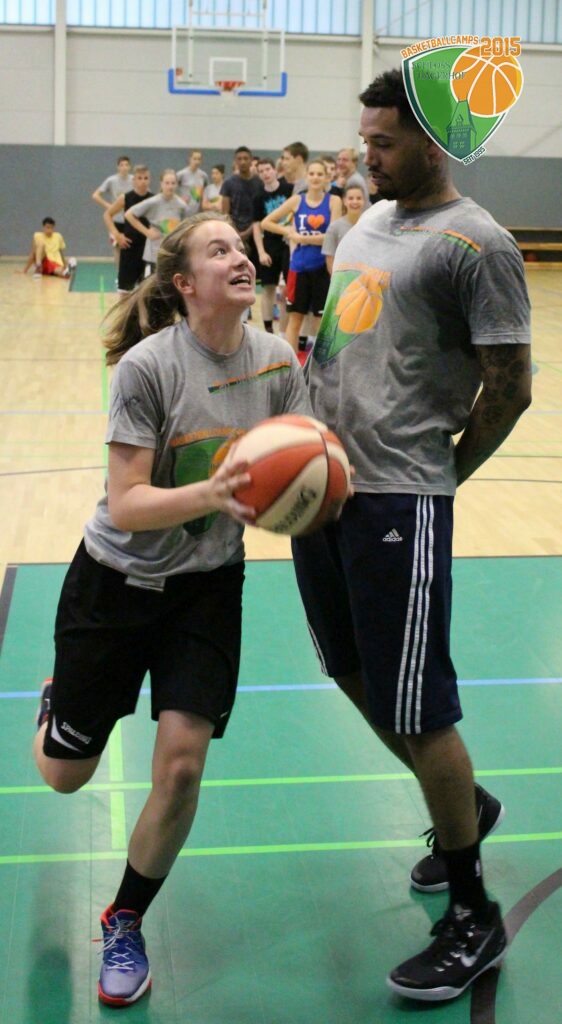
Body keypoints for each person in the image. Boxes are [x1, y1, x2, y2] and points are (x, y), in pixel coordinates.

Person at [291, 68, 532, 1002]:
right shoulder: (366, 225)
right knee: (352, 671)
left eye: (383, 143)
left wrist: (440, 478)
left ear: (432, 144)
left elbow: (509, 387)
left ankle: (474, 915)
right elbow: (335, 350)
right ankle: (469, 806)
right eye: (364, 140)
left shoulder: (478, 244)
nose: (367, 157)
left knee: (421, 707)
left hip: (399, 500)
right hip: (324, 492)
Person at [32, 211, 311, 1008]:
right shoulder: (149, 368)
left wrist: (316, 484)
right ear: (185, 283)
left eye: (242, 247)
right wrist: (216, 493)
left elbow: (300, 453)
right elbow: (126, 504)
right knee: (64, 775)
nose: (241, 257)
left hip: (207, 586)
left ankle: (125, 917)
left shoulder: (274, 360)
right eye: (219, 250)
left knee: (183, 765)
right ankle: (59, 706)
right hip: (115, 581)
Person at [261, 160, 342, 353]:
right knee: (295, 319)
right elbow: (266, 222)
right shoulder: (297, 200)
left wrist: (302, 238)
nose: (315, 177)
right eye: (312, 173)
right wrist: (288, 231)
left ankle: (322, 364)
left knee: (322, 320)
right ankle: (292, 365)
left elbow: (332, 236)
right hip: (298, 267)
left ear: (327, 177)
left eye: (319, 174)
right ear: (306, 176)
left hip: (323, 267)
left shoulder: (334, 201)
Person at [252, 158, 292, 332]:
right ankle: (268, 329)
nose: (265, 173)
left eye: (268, 169)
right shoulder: (258, 197)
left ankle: (284, 332)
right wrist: (261, 252)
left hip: (288, 242)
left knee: (286, 290)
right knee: (268, 288)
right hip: (269, 245)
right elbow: (256, 226)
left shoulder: (288, 189)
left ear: (275, 170)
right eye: (261, 171)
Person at [124, 169, 189, 274]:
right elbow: (129, 214)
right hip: (154, 254)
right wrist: (147, 232)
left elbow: (186, 226)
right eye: (167, 183)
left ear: (177, 185)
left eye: (173, 183)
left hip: (172, 253)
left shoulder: (182, 205)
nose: (170, 186)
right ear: (161, 184)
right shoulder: (153, 202)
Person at [103, 165, 153, 293]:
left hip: (147, 248)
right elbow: (107, 215)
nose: (143, 181)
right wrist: (117, 234)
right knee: (125, 290)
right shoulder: (125, 198)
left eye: (146, 178)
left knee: (145, 291)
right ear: (134, 180)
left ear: (150, 180)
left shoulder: (154, 199)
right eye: (139, 178)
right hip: (129, 247)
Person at [220, 147, 262, 258]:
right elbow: (225, 213)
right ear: (235, 161)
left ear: (251, 160)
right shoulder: (228, 183)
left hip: (256, 234)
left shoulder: (260, 183)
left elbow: (261, 213)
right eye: (239, 159)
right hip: (234, 232)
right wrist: (235, 232)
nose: (242, 162)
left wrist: (247, 233)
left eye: (245, 158)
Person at [91, 156, 134, 264]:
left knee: (131, 247)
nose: (124, 167)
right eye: (121, 165)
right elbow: (95, 195)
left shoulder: (134, 180)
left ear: (130, 167)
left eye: (126, 165)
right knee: (117, 247)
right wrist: (109, 206)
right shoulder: (111, 180)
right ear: (117, 167)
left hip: (131, 220)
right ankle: (119, 273)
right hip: (115, 221)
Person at [321, 182, 367, 274]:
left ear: (364, 201)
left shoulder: (370, 225)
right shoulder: (334, 227)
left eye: (359, 198)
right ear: (344, 201)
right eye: (351, 198)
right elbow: (330, 259)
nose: (355, 202)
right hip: (342, 278)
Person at [176, 149, 208, 215]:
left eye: (199, 159)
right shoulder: (181, 175)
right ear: (190, 159)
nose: (197, 162)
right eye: (194, 159)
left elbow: (205, 192)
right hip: (183, 210)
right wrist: (179, 199)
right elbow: (172, 189)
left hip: (197, 212)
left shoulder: (203, 176)